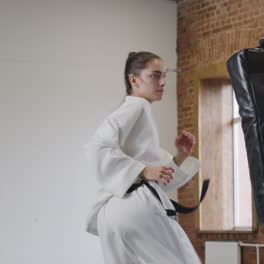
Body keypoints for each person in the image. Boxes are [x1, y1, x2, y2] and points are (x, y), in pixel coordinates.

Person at [84, 51, 202, 264]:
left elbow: (159, 178)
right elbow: (97, 147)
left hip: (112, 212)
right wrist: (143, 170)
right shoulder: (137, 106)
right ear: (134, 80)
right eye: (155, 76)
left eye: (164, 75)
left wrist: (180, 156)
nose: (163, 82)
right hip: (134, 206)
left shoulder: (136, 112)